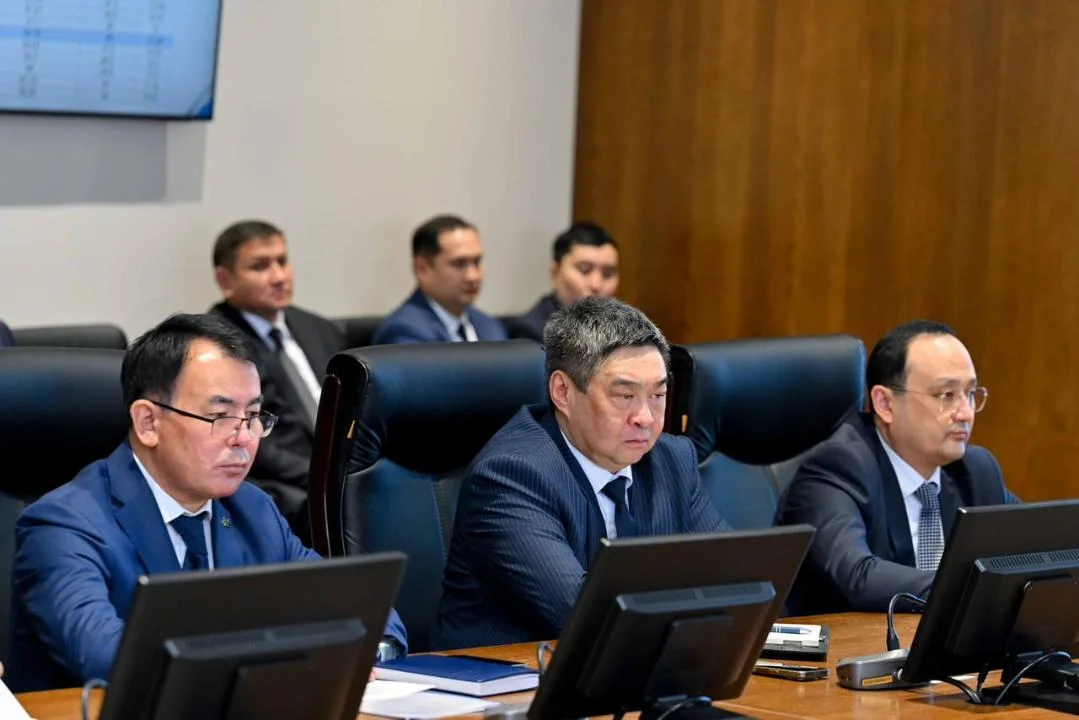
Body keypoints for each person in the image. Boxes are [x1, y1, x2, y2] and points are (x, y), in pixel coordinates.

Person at [7, 314, 405, 692]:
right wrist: (289, 662)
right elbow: (104, 656)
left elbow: (361, 608)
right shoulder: (63, 525)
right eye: (220, 416)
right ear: (148, 423)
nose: (244, 437)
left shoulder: (252, 508)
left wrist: (373, 650)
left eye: (253, 415)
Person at [437, 297, 731, 649]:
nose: (646, 418)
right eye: (624, 396)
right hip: (510, 675)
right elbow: (584, 615)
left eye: (658, 395)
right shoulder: (511, 475)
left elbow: (736, 581)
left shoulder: (671, 459)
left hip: (638, 665)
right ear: (562, 392)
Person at [778, 320, 1020, 614]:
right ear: (885, 404)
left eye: (970, 394)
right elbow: (858, 576)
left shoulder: (976, 470)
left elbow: (1040, 546)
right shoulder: (838, 468)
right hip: (847, 641)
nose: (965, 413)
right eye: (946, 395)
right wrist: (972, 590)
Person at [210, 220, 346, 536]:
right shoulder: (216, 344)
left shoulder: (321, 329)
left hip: (343, 473)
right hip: (287, 483)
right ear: (225, 280)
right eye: (260, 267)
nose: (279, 277)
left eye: (282, 262)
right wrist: (329, 475)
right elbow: (251, 438)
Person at [372, 215, 507, 344]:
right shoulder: (405, 332)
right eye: (459, 264)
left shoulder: (490, 327)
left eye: (477, 262)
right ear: (422, 269)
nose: (473, 276)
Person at [509, 222, 620, 341]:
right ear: (556, 272)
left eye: (608, 273)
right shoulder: (531, 331)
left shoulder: (623, 328)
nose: (596, 284)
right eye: (584, 270)